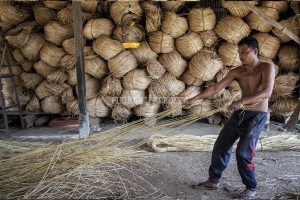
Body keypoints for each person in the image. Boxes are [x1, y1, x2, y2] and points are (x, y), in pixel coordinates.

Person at [185, 37, 275, 199]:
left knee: (243, 153)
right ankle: (213, 180)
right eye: (239, 52)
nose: (241, 56)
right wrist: (194, 99)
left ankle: (251, 187)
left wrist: (241, 101)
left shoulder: (266, 68)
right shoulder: (237, 72)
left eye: (245, 52)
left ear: (255, 51)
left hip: (256, 116)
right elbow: (215, 88)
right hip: (239, 114)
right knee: (221, 145)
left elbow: (266, 93)